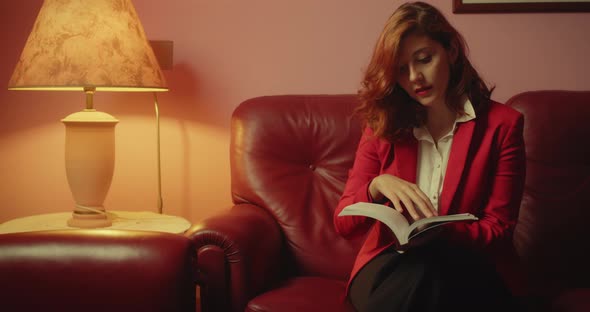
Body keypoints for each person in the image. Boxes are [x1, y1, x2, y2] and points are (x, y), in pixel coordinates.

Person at [333, 2, 525, 312]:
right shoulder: (382, 125)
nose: (415, 78)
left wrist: (441, 232)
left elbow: (499, 229)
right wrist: (376, 186)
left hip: (469, 265)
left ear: (450, 51)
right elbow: (344, 223)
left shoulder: (503, 126)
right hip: (389, 264)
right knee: (422, 275)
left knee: (432, 271)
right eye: (401, 69)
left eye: (424, 59)